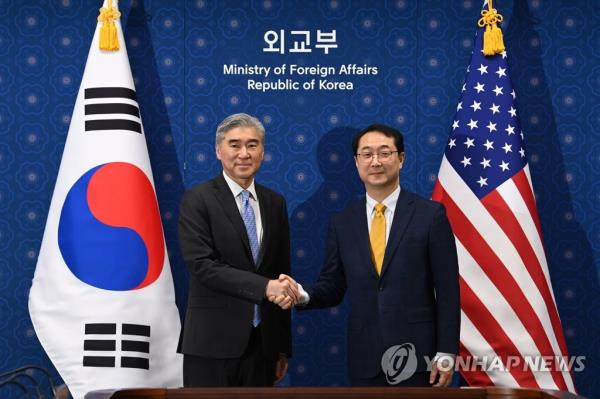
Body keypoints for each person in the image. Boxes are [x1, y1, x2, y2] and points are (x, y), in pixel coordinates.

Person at [276, 124, 460, 387]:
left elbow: (447, 291)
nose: (376, 161)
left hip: (420, 357)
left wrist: (446, 352)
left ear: (401, 159)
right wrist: (302, 294)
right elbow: (333, 285)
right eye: (367, 154)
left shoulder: (430, 216)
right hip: (365, 358)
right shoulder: (342, 222)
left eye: (384, 153)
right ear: (356, 162)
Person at [178, 113, 298, 387]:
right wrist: (265, 287)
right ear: (218, 151)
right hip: (211, 344)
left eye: (252, 145)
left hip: (263, 347)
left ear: (263, 152)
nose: (244, 153)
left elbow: (281, 273)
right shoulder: (198, 199)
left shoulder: (274, 202)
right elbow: (202, 266)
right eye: (235, 145)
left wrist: (280, 347)